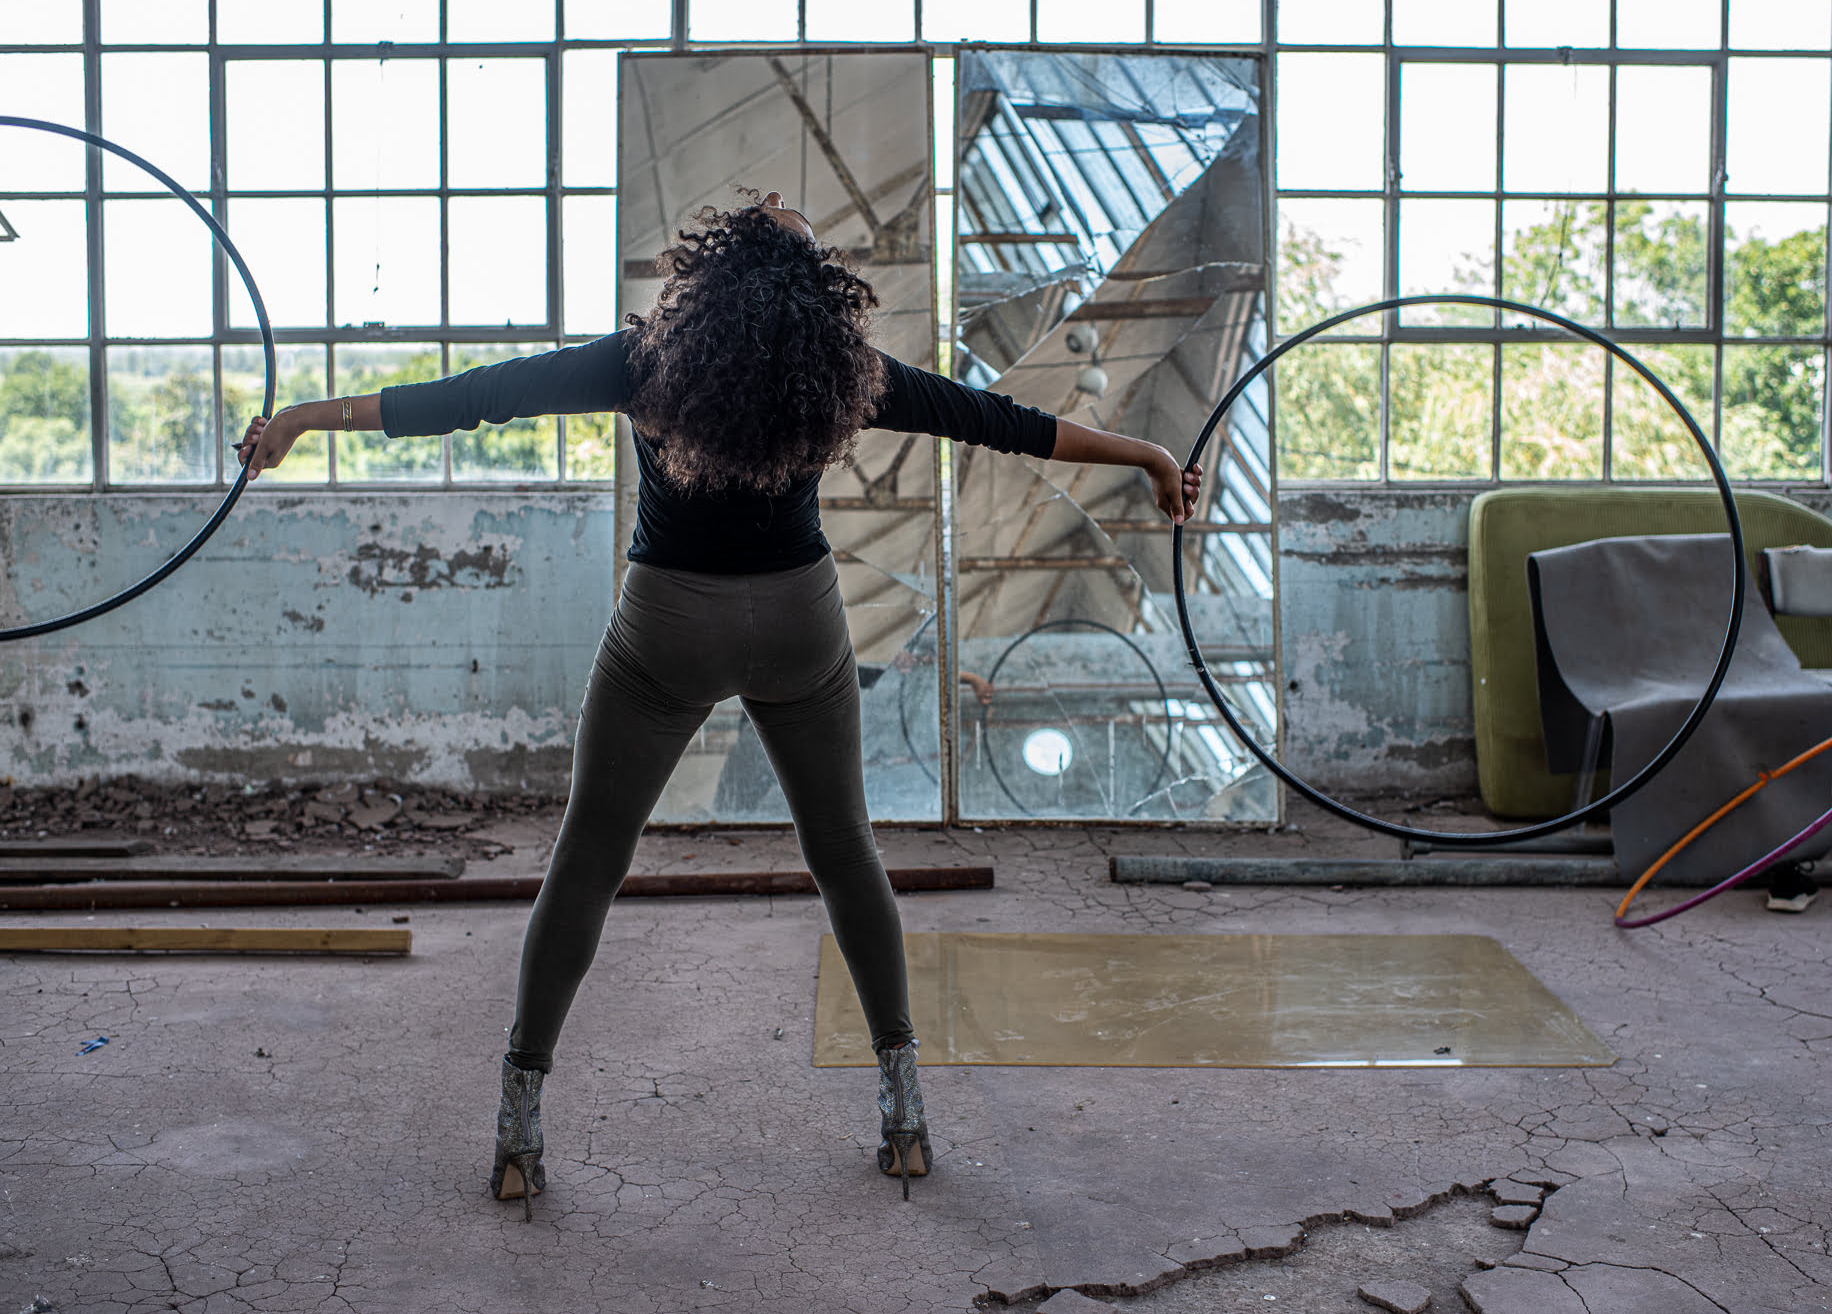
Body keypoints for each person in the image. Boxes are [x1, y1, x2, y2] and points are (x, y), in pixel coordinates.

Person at [235, 192, 1203, 1220]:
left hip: (667, 627)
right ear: (811, 292)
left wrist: (303, 420)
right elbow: (1002, 423)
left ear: (714, 272)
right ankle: (904, 1111)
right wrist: (1145, 455)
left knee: (587, 861)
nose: (781, 199)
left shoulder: (639, 361)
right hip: (798, 624)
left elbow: (472, 397)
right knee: (846, 855)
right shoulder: (845, 371)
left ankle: (519, 1124)